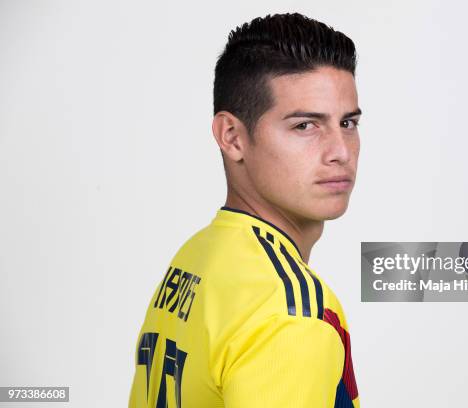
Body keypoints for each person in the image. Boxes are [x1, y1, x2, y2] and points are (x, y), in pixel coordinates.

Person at [129, 12, 361, 407]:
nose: (340, 151)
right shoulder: (292, 315)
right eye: (306, 126)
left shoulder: (197, 255)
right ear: (232, 137)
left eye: (349, 123)